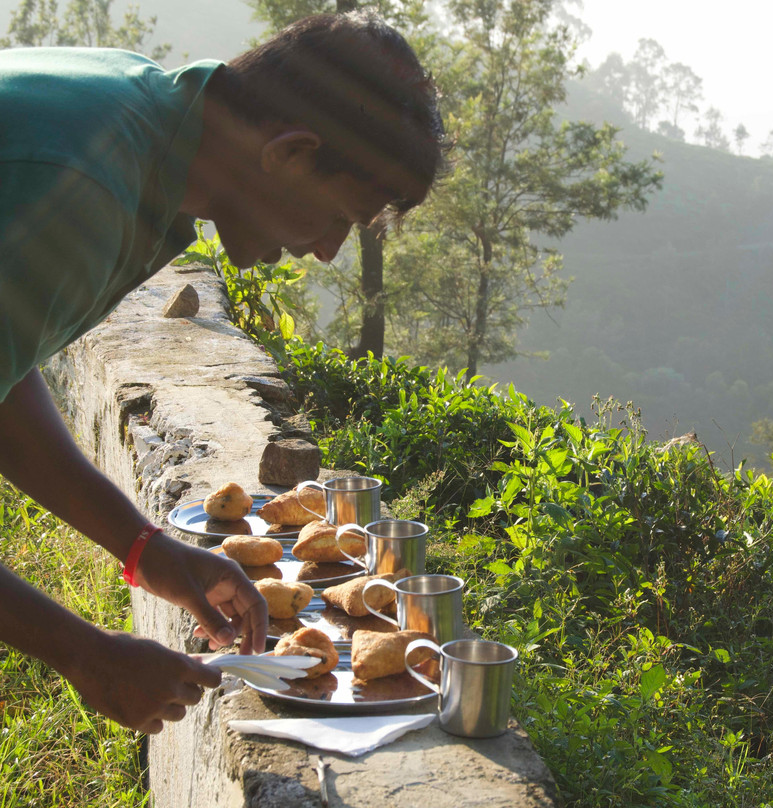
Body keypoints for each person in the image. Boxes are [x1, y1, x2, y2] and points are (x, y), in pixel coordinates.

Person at [0, 12, 447, 734]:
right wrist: (83, 653)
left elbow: (6, 368)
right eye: (338, 216)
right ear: (291, 152)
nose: (327, 251)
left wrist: (146, 548)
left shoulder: (135, 115)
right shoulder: (85, 190)